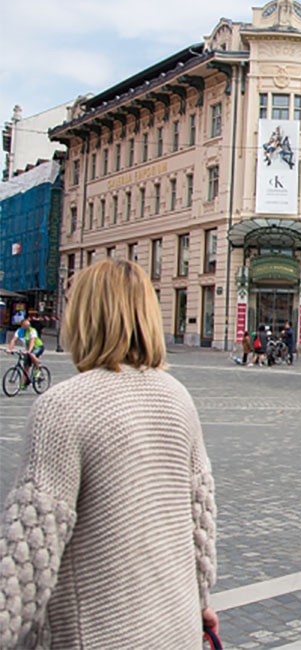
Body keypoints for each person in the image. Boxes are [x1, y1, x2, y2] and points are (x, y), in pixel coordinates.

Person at [0, 259, 218, 648]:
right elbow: (200, 527)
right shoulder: (178, 398)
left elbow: (25, 564)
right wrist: (200, 604)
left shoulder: (63, 408)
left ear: (86, 317)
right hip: (177, 630)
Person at [6, 318, 45, 388]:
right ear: (22, 325)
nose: (28, 326)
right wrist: (10, 349)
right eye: (26, 325)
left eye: (28, 325)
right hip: (28, 349)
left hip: (38, 347)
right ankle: (25, 382)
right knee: (26, 367)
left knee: (32, 354)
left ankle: (37, 369)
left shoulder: (32, 331)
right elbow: (13, 340)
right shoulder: (19, 331)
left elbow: (32, 342)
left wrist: (29, 351)